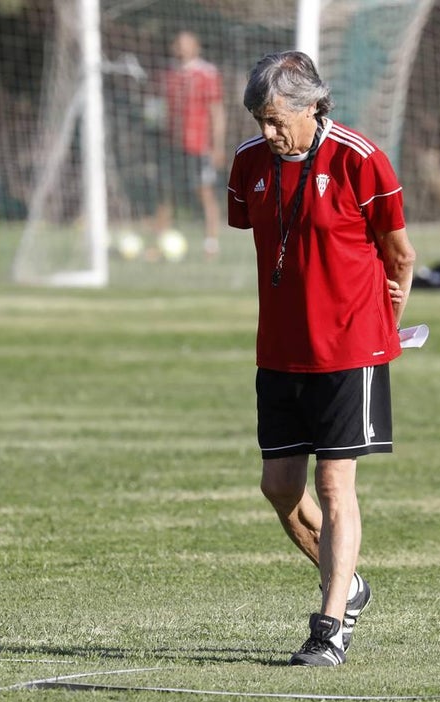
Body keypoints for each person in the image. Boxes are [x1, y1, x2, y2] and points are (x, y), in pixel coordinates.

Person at [227, 51, 416, 666]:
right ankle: (349, 582)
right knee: (279, 486)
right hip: (280, 351)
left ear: (314, 107)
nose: (267, 131)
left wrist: (382, 326)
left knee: (335, 485)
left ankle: (329, 627)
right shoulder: (248, 165)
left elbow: (400, 255)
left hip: (349, 350)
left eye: (278, 118)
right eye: (259, 118)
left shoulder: (360, 160)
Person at [154, 30, 226, 259]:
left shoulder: (207, 74)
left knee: (204, 192)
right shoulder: (169, 74)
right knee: (165, 193)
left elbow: (216, 111)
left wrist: (218, 145)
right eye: (179, 44)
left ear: (197, 47)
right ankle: (159, 242)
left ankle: (211, 244)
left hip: (199, 144)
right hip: (173, 144)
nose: (182, 48)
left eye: (187, 44)